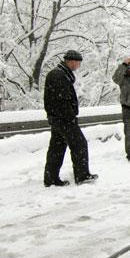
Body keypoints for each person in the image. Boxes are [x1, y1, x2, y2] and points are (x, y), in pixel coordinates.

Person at [43, 50, 98, 186]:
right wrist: (69, 116)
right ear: (71, 61)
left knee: (57, 148)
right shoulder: (59, 75)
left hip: (58, 118)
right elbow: (61, 100)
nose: (78, 66)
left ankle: (51, 178)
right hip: (64, 119)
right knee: (79, 144)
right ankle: (82, 175)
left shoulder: (59, 74)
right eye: (78, 63)